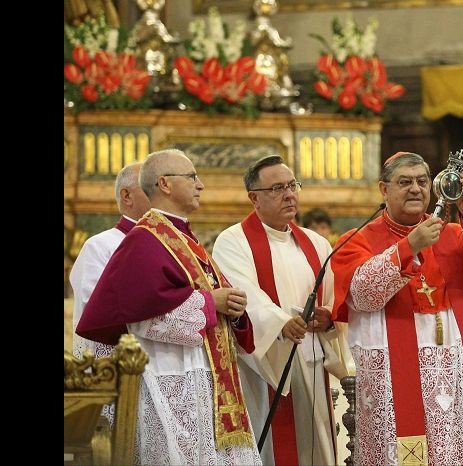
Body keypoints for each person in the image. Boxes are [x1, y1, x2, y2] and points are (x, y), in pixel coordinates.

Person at [76, 149, 262, 465]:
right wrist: (209, 302)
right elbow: (141, 317)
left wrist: (233, 306)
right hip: (165, 375)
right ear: (165, 184)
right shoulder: (145, 240)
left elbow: (211, 301)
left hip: (199, 379)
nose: (201, 185)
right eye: (192, 177)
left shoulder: (182, 238)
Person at [330, 152, 463, 466]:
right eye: (405, 182)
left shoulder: (451, 234)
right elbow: (364, 294)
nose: (415, 189)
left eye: (422, 181)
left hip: (452, 369)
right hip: (393, 376)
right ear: (383, 190)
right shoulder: (357, 240)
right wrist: (408, 247)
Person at [212, 155, 349, 465]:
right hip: (266, 365)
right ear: (254, 198)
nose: (289, 195)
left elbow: (333, 296)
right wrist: (280, 322)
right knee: (274, 448)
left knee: (319, 448)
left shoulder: (316, 243)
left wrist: (327, 317)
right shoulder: (233, 241)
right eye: (277, 188)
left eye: (292, 186)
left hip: (313, 360)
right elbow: (244, 293)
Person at [70, 162, 150, 360]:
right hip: (116, 367)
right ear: (127, 195)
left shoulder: (174, 245)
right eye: (148, 186)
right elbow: (97, 313)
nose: (161, 193)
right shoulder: (99, 246)